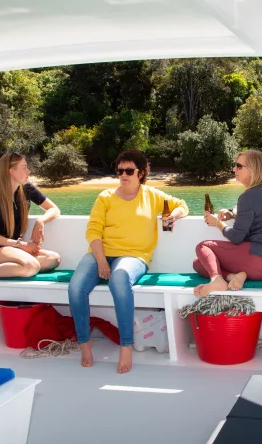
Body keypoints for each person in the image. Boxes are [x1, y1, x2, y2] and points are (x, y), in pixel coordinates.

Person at [68, 149, 188, 373]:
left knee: (119, 278)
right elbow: (93, 231)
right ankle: (84, 342)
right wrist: (101, 260)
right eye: (120, 170)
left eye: (129, 171)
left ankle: (126, 345)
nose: (123, 175)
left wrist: (174, 216)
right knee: (75, 287)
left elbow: (182, 204)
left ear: (140, 173)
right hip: (101, 253)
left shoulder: (152, 196)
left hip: (135, 255)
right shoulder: (105, 197)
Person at [194, 150, 262, 297]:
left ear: (252, 169)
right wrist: (232, 213)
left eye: (239, 166)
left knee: (202, 247)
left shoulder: (248, 196)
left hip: (255, 258)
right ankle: (234, 276)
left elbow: (236, 237)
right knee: (199, 263)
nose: (234, 169)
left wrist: (217, 223)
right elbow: (253, 212)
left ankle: (218, 280)